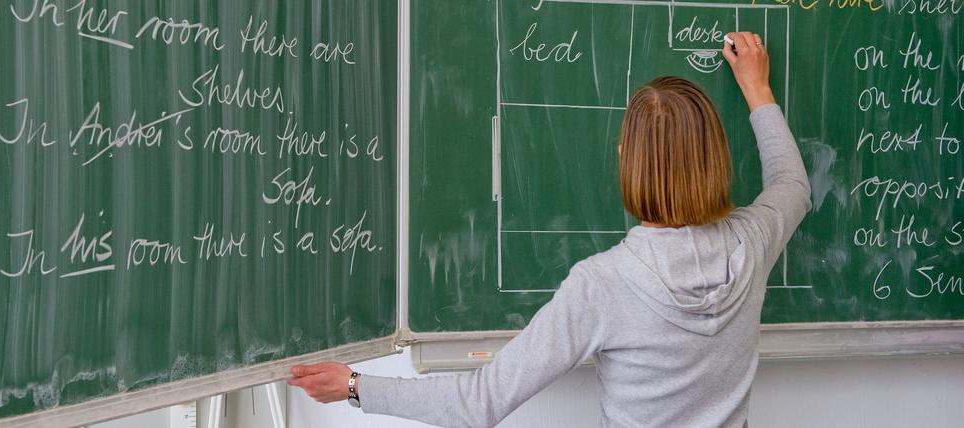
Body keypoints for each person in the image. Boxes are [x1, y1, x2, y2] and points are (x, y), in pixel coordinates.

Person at [288, 31, 811, 428]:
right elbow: (793, 184)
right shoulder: (752, 243)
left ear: (625, 159)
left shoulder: (603, 285)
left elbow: (480, 402)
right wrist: (757, 88)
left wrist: (355, 387)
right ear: (715, 159)